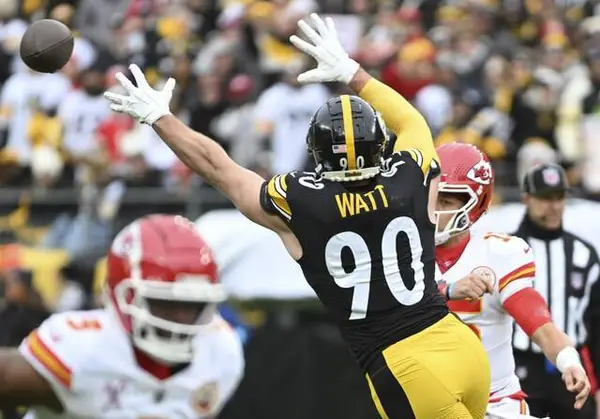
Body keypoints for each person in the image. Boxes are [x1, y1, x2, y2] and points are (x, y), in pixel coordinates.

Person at [104, 13, 491, 419]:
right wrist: (352, 72)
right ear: (381, 144)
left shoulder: (302, 201)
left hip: (405, 366)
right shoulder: (410, 174)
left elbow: (220, 169)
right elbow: (411, 120)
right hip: (460, 345)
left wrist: (161, 119)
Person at [0, 214, 244, 417]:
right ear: (124, 296)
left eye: (191, 304)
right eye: (165, 302)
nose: (180, 316)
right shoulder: (83, 350)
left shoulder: (219, 353)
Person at [433, 143, 591, 419]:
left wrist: (569, 361)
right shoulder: (402, 250)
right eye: (432, 197)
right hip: (427, 401)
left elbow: (538, 322)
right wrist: (448, 290)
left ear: (475, 203)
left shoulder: (498, 254)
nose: (435, 209)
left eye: (446, 201)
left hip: (494, 404)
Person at [511, 163, 599, 419]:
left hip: (571, 371)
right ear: (526, 198)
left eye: (559, 197)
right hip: (521, 367)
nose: (554, 206)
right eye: (545, 198)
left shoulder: (583, 254)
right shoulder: (507, 250)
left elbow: (596, 323)